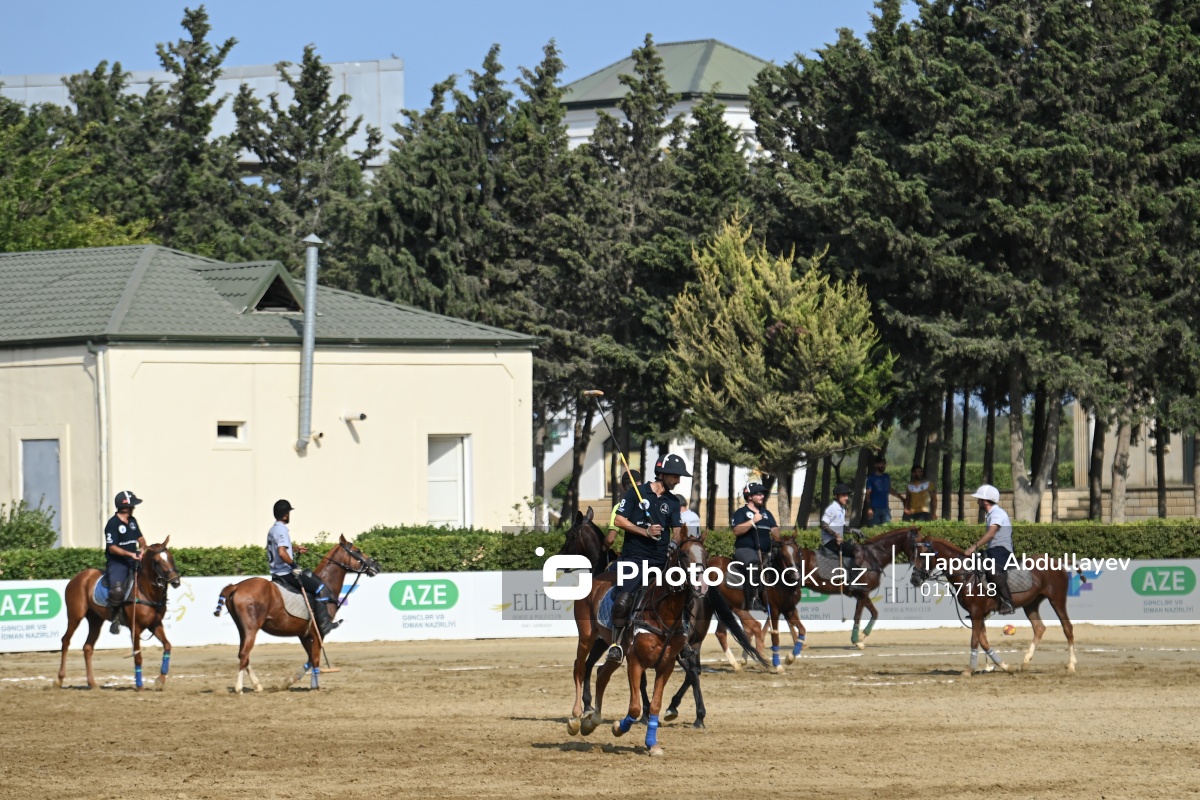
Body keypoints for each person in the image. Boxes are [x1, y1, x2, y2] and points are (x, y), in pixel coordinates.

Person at [608, 453, 691, 662]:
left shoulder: (673, 501)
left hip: (661, 559)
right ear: (662, 473)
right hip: (635, 557)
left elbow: (677, 530)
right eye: (675, 476)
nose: (678, 481)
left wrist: (674, 543)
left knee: (684, 594)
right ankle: (616, 644)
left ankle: (683, 639)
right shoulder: (636, 493)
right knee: (623, 600)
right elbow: (619, 520)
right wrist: (644, 532)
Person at [266, 499, 341, 638]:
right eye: (288, 512)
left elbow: (280, 550)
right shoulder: (281, 530)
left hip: (276, 571)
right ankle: (325, 624)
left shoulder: (273, 529)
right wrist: (294, 566)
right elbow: (281, 553)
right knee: (318, 587)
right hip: (284, 572)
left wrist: (294, 549)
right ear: (285, 515)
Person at [964, 484, 1015, 615]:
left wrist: (973, 547)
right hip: (993, 550)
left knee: (992, 571)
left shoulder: (997, 514)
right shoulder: (991, 514)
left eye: (979, 499)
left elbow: (991, 534)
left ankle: (1008, 602)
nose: (978, 502)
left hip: (1003, 551)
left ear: (985, 501)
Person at [730, 482, 781, 609]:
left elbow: (774, 528)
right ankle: (752, 600)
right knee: (754, 565)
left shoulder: (766, 513)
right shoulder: (741, 512)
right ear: (750, 497)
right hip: (745, 549)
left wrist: (776, 536)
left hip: (766, 551)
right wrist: (752, 521)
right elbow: (736, 531)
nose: (762, 496)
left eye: (763, 494)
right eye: (758, 494)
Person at [104, 491, 147, 634]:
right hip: (117, 563)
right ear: (125, 507)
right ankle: (115, 618)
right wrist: (131, 554)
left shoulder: (133, 521)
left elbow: (140, 538)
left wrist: (142, 548)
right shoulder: (112, 524)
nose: (134, 508)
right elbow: (112, 548)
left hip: (134, 560)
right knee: (117, 590)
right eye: (132, 505)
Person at [605, 469, 642, 561]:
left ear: (623, 487)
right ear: (641, 484)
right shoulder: (651, 502)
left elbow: (610, 539)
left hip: (629, 556)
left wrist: (604, 545)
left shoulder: (619, 507)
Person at [819, 483, 858, 563]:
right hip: (829, 541)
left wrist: (853, 530)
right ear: (836, 496)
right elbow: (823, 525)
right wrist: (836, 535)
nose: (846, 498)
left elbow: (842, 526)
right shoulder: (832, 508)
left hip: (837, 541)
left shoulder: (842, 509)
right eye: (843, 495)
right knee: (855, 551)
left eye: (847, 495)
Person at [864, 456, 904, 526]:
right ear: (876, 465)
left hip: (885, 509)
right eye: (881, 463)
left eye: (884, 463)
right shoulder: (871, 479)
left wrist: (901, 497)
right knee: (875, 529)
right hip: (875, 509)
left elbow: (889, 489)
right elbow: (868, 495)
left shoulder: (886, 477)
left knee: (886, 529)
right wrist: (869, 508)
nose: (883, 465)